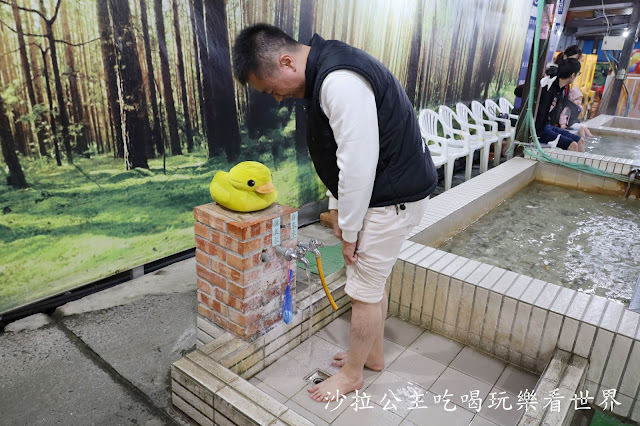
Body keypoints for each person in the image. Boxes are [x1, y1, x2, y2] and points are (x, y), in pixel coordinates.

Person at [232, 24, 438, 402]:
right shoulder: (328, 69)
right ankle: (372, 354)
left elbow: (357, 163)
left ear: (285, 61)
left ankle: (353, 375)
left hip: (391, 199)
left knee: (362, 291)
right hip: (391, 193)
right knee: (371, 283)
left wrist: (350, 229)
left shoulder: (338, 80)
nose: (277, 98)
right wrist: (339, 214)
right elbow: (339, 157)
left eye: (271, 88)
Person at [536, 58, 585, 152]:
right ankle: (570, 166)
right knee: (573, 145)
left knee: (580, 141)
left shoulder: (561, 89)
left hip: (548, 126)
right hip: (539, 130)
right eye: (577, 74)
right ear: (573, 75)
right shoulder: (549, 85)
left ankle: (581, 166)